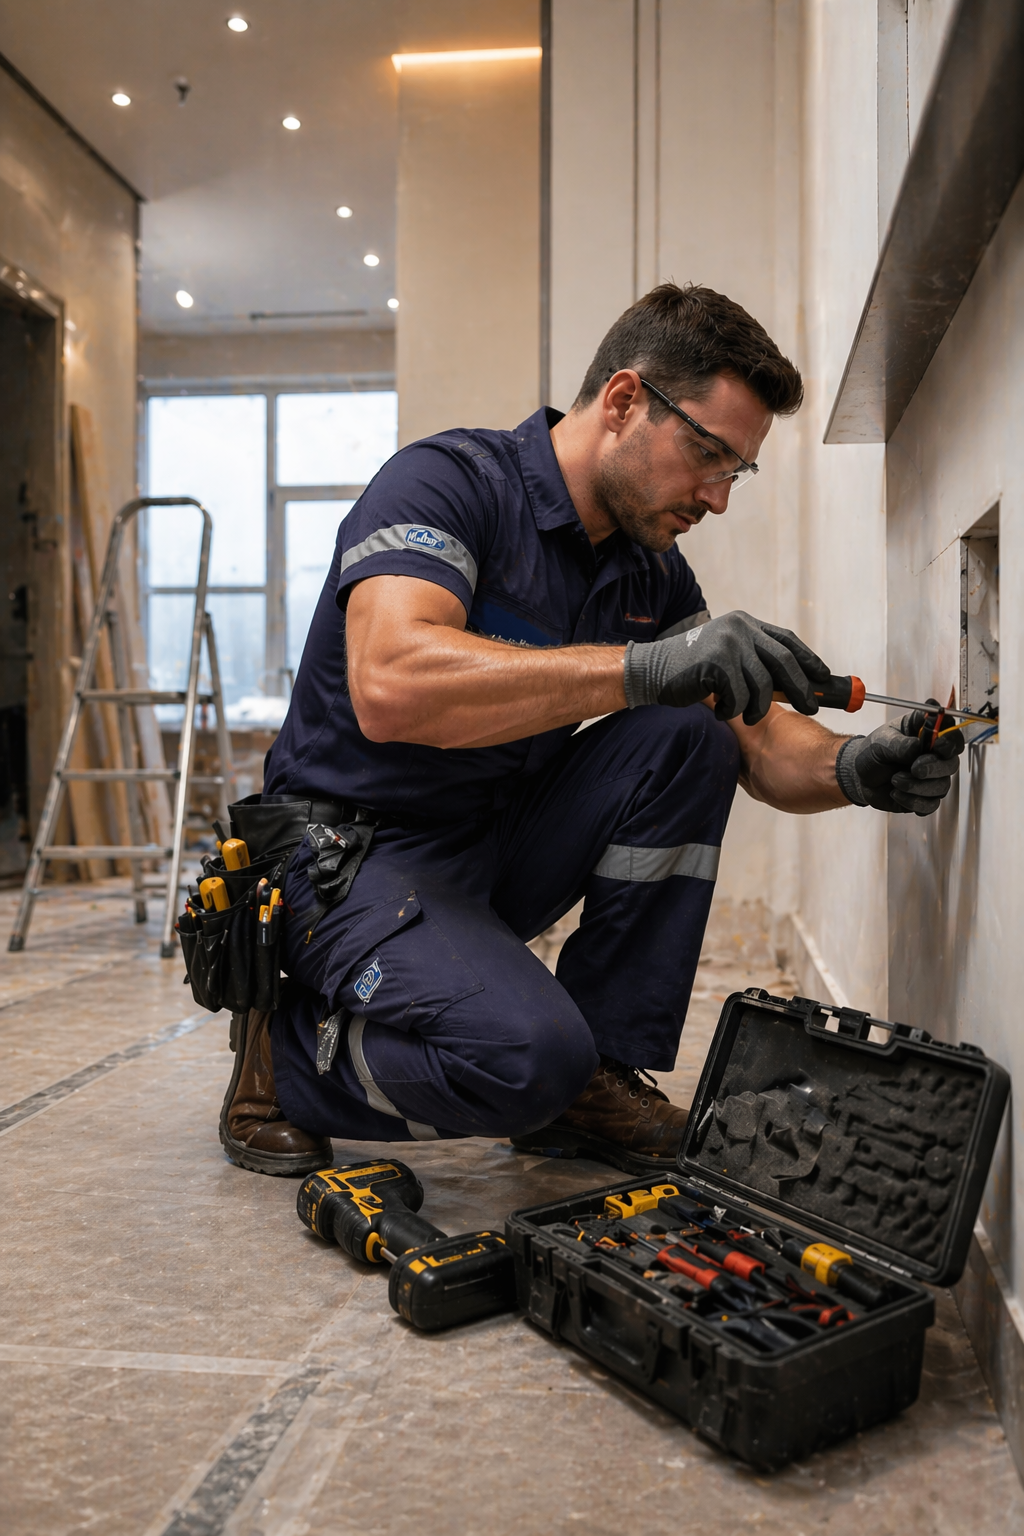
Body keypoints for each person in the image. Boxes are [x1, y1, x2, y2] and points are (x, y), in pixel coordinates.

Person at [219, 283, 964, 1179]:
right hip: (344, 861)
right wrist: (638, 669)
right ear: (622, 402)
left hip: (484, 847)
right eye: (708, 454)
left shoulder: (651, 573)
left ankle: (596, 1078)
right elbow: (390, 682)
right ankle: (287, 1058)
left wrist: (855, 767)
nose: (717, 497)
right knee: (528, 1058)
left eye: (737, 471)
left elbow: (760, 744)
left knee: (689, 734)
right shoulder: (448, 485)